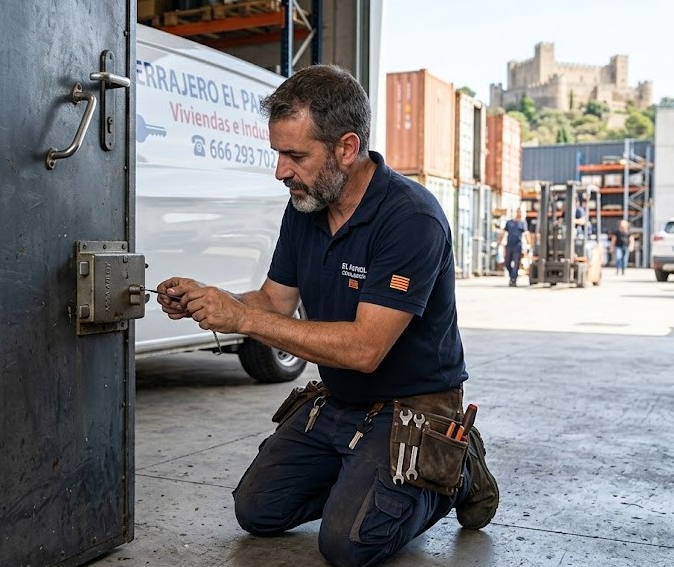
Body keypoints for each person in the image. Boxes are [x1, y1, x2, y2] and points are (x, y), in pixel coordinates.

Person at [154, 65, 498, 566]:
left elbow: (364, 348)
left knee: (347, 546)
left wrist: (241, 320)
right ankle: (365, 476)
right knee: (258, 511)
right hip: (339, 403)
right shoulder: (305, 208)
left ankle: (456, 466)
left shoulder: (410, 219)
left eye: (295, 155)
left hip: (412, 407)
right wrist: (211, 300)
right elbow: (273, 303)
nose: (281, 171)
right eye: (277, 154)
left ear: (346, 148)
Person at [496, 208, 531, 287]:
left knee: (516, 264)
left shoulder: (522, 223)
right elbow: (503, 232)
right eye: (518, 212)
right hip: (509, 246)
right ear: (516, 212)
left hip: (518, 246)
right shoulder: (509, 223)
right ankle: (512, 276)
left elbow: (526, 234)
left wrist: (529, 245)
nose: (520, 214)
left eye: (521, 212)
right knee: (507, 263)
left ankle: (513, 280)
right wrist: (499, 242)